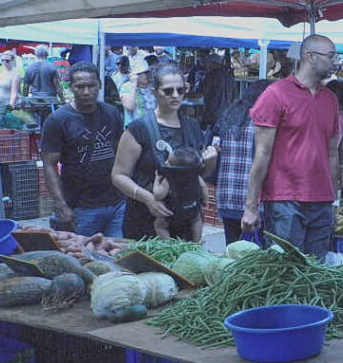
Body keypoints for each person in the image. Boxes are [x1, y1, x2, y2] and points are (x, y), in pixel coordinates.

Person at [242, 34, 342, 258]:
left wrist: (334, 196)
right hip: (284, 201)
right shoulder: (276, 94)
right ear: (311, 57)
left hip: (322, 201)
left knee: (316, 270)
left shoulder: (330, 99)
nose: (336, 62)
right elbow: (261, 154)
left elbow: (333, 152)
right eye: (331, 56)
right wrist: (251, 206)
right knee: (286, 271)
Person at [111, 63, 217, 240]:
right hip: (145, 224)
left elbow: (194, 174)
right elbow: (118, 176)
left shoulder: (192, 126)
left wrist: (210, 163)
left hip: (185, 222)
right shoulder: (139, 129)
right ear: (154, 92)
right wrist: (148, 198)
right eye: (168, 91)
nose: (175, 95)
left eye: (180, 90)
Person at [41, 63, 125, 237]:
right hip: (81, 207)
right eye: (80, 87)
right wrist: (60, 204)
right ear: (71, 87)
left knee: (118, 255)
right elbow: (49, 164)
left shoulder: (112, 113)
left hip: (116, 204)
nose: (86, 91)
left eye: (91, 85)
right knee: (83, 257)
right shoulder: (58, 120)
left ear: (100, 85)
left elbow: (121, 153)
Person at [212, 80, 272, 245]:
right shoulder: (264, 123)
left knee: (233, 250)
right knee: (257, 255)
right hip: (254, 202)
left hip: (227, 197)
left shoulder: (227, 116)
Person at [151, 146, 206, 242]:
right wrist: (205, 199)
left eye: (169, 162)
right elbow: (204, 187)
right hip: (192, 207)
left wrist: (156, 180)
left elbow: (158, 194)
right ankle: (196, 243)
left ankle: (170, 245)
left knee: (159, 225)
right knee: (197, 221)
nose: (166, 163)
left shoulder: (169, 179)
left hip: (173, 211)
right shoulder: (194, 176)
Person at [119, 59, 156, 125]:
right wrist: (133, 85)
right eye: (144, 73)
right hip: (134, 128)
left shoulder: (152, 87)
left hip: (152, 126)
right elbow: (129, 106)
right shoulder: (126, 87)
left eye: (147, 72)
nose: (147, 75)